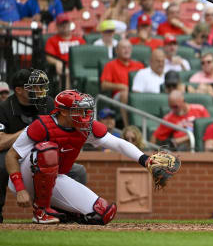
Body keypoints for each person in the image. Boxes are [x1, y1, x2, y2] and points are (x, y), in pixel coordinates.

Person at [4, 89, 158, 224]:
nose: (85, 115)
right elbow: (11, 156)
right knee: (48, 151)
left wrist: (146, 160)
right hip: (26, 176)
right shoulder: (41, 125)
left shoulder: (85, 128)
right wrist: (20, 189)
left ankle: (63, 212)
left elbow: (118, 144)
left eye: (86, 110)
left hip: (54, 178)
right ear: (63, 111)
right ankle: (40, 212)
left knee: (102, 212)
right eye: (79, 110)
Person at [0, 70, 87, 224]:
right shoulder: (4, 107)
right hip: (14, 155)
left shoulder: (48, 103)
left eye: (41, 86)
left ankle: (65, 215)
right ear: (19, 90)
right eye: (34, 87)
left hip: (46, 154)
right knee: (0, 166)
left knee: (78, 171)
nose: (40, 90)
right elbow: (1, 143)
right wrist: (30, 131)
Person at [100, 39, 144, 125]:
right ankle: (128, 126)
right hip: (118, 96)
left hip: (137, 94)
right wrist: (121, 86)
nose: (127, 50)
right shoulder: (110, 65)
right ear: (116, 51)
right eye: (124, 48)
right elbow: (104, 85)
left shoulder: (139, 65)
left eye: (129, 48)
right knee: (125, 93)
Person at [45, 13, 86, 88]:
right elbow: (48, 56)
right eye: (61, 24)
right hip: (64, 67)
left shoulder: (80, 40)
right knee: (65, 72)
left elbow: (86, 54)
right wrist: (57, 62)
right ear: (57, 26)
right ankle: (66, 98)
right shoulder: (52, 40)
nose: (64, 26)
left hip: (79, 67)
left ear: (70, 24)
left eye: (66, 23)